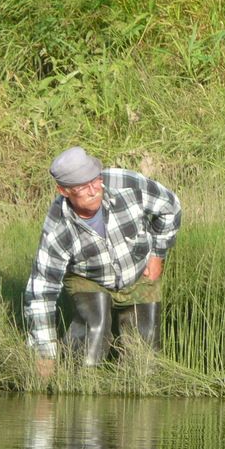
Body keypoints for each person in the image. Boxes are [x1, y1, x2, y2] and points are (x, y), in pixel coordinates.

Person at [24, 146, 181, 377]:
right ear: (64, 190)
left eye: (95, 181)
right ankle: (78, 383)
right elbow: (41, 292)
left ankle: (129, 388)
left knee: (144, 356)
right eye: (82, 187)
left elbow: (171, 206)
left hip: (138, 268)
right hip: (90, 278)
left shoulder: (127, 184)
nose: (93, 190)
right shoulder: (57, 229)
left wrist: (158, 253)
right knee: (94, 332)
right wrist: (45, 353)